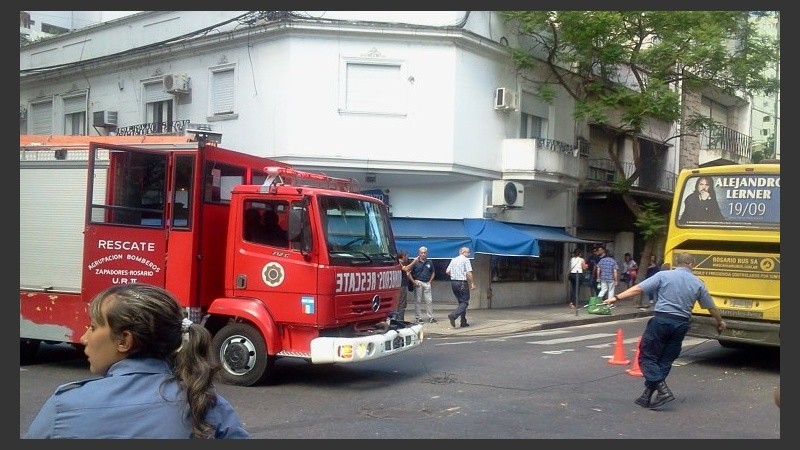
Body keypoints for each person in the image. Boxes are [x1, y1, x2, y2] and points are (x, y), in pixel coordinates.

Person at [24, 283, 250, 439]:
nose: (84, 338)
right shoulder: (206, 404)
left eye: (93, 327)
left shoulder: (63, 406)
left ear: (124, 341)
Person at [603, 252, 726, 410]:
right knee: (665, 360)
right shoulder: (698, 283)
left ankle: (663, 390)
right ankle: (647, 395)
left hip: (662, 321)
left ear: (676, 263)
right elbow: (711, 307)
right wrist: (720, 322)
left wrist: (616, 298)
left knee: (647, 357)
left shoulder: (663, 275)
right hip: (681, 325)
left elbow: (638, 289)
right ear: (692, 264)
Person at [445, 246, 476, 328]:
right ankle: (453, 315)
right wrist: (472, 283)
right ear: (463, 252)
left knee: (461, 303)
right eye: (468, 252)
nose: (469, 254)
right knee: (465, 302)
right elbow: (468, 273)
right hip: (462, 282)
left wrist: (454, 275)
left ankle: (463, 321)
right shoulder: (466, 260)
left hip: (453, 282)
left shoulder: (453, 260)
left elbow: (447, 271)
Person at [408, 246, 437, 324]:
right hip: (418, 282)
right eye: (422, 253)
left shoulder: (429, 262)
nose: (423, 254)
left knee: (429, 301)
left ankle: (431, 317)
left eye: (424, 252)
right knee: (418, 301)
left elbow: (433, 272)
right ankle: (418, 317)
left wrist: (430, 281)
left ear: (426, 253)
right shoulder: (415, 262)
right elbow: (408, 273)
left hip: (427, 282)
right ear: (419, 253)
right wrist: (414, 282)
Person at [393, 250, 414, 321]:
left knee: (400, 303)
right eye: (407, 256)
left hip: (401, 284)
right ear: (403, 256)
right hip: (401, 285)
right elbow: (406, 268)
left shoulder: (398, 262)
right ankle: (400, 319)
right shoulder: (399, 263)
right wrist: (414, 262)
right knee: (401, 303)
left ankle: (397, 318)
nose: (408, 257)